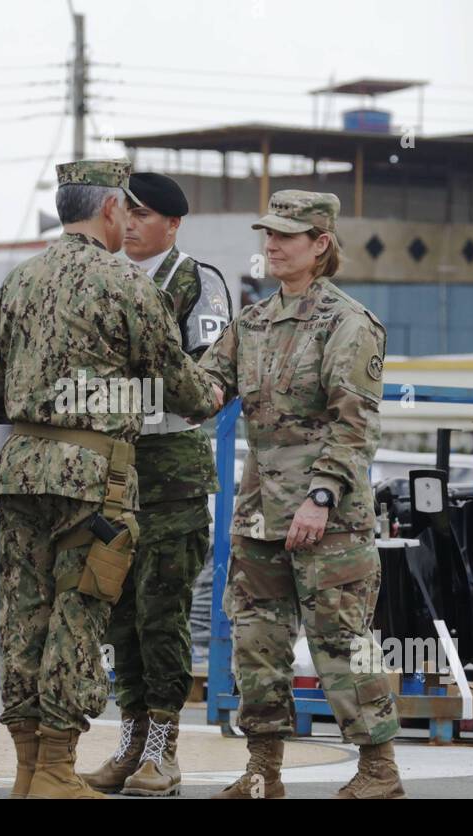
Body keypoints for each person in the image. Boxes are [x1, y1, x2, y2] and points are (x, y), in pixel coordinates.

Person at [0, 159, 222, 799]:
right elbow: (184, 386)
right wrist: (211, 393)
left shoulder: (18, 281)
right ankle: (55, 769)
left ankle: (25, 770)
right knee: (80, 622)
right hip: (95, 482)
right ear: (110, 209)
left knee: (25, 621)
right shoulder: (129, 286)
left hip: (18, 473)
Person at [199, 190, 404, 799]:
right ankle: (263, 771)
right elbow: (211, 379)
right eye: (269, 233)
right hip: (260, 513)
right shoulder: (254, 321)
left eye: (287, 235)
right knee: (256, 643)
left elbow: (355, 422)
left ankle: (378, 770)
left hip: (329, 518)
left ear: (320, 245)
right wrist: (180, 381)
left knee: (341, 642)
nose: (273, 244)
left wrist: (320, 497)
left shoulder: (348, 323)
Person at [81, 172, 231, 797]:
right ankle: (129, 740)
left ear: (172, 223)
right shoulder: (104, 277)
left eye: (145, 215)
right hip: (112, 471)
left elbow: (208, 384)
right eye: (127, 212)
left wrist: (118, 389)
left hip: (171, 472)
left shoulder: (198, 281)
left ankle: (165, 751)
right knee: (118, 612)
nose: (132, 223)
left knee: (161, 613)